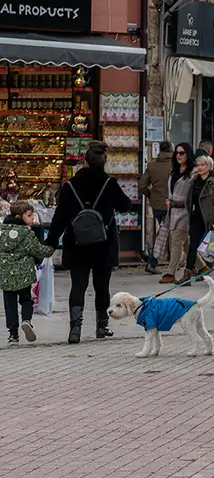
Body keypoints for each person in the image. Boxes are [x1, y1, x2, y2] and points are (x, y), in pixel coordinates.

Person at [45, 141, 133, 343]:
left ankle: (75, 329)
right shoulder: (109, 184)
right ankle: (102, 326)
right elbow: (126, 205)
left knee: (78, 286)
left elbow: (59, 218)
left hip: (76, 244)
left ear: (85, 161)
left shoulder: (70, 186)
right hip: (104, 244)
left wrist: (50, 242)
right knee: (102, 286)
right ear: (104, 161)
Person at [1, 202, 53, 345]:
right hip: (24, 274)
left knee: (9, 304)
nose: (33, 219)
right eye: (29, 216)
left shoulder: (1, 232)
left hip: (5, 276)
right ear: (19, 216)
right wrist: (50, 249)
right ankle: (26, 320)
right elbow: (38, 250)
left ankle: (13, 335)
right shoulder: (27, 234)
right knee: (26, 300)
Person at [186, 155, 214, 282]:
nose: (199, 168)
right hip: (197, 217)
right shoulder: (194, 182)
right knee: (193, 246)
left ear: (209, 167)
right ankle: (187, 274)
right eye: (197, 165)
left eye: (202, 165)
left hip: (211, 218)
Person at [159, 143, 196, 284]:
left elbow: (191, 196)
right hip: (172, 212)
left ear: (188, 155)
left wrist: (175, 203)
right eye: (177, 153)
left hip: (185, 213)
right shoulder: (173, 171)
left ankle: (170, 272)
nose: (178, 155)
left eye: (182, 153)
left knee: (176, 241)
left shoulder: (193, 173)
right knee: (184, 243)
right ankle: (202, 266)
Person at [139, 141, 173, 274]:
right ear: (171, 149)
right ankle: (152, 263)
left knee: (164, 232)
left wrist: (151, 196)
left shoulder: (152, 165)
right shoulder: (176, 165)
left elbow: (142, 185)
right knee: (165, 234)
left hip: (157, 205)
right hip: (172, 204)